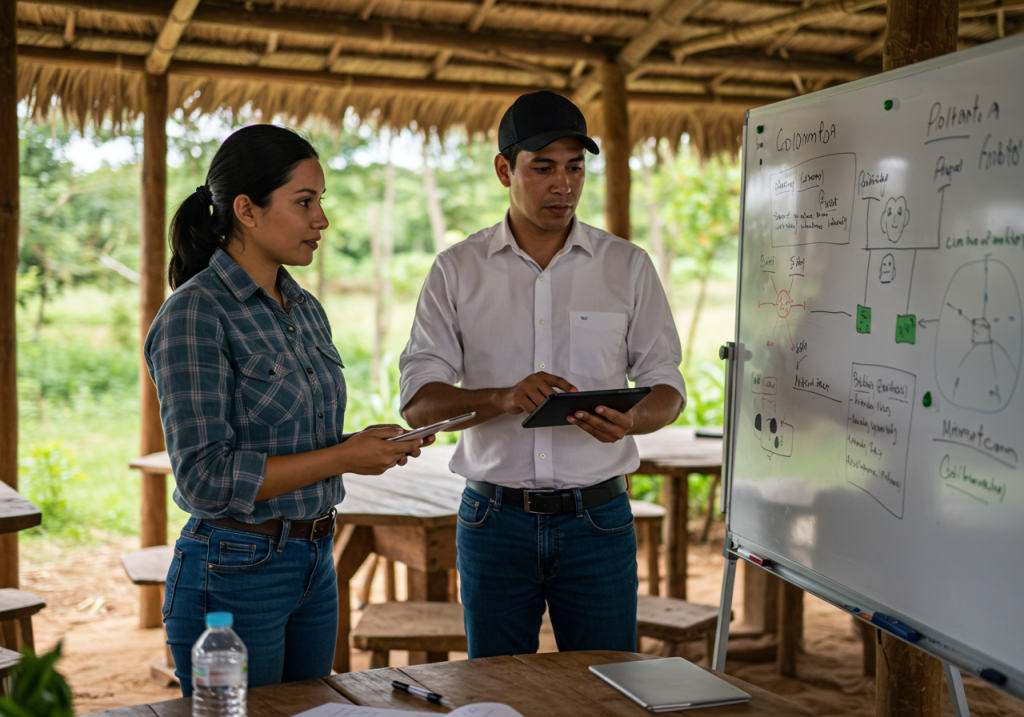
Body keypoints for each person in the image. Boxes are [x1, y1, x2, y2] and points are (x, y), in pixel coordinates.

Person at [399, 90, 686, 657]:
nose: (564, 185)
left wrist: (631, 422)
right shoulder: (456, 270)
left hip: (599, 521)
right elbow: (417, 405)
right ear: (505, 169)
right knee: (498, 691)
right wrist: (503, 398)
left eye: (575, 167)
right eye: (543, 168)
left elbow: (667, 388)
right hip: (492, 522)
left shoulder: (627, 266)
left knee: (608, 686)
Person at [144, 125, 429, 693]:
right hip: (233, 572)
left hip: (314, 561)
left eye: (321, 201)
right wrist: (343, 457)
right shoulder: (194, 314)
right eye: (304, 202)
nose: (320, 219)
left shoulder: (303, 306)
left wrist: (358, 446)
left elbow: (300, 438)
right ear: (246, 210)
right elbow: (204, 478)